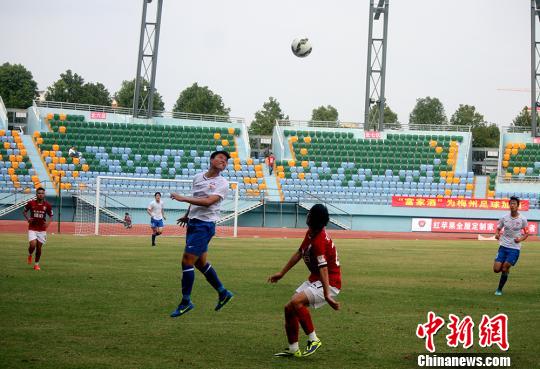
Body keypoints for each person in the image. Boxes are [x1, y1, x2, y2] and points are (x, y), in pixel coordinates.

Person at [268, 204, 341, 358]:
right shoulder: (311, 233)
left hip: (329, 282)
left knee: (296, 302)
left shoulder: (319, 240)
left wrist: (327, 295)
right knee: (289, 308)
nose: (307, 216)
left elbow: (324, 268)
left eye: (310, 214)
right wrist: (282, 273)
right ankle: (293, 349)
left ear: (314, 218)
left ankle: (313, 339)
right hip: (317, 279)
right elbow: (300, 252)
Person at [169, 150, 234, 317]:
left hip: (204, 226)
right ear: (212, 159)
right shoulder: (198, 177)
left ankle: (186, 301)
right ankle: (223, 292)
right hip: (193, 223)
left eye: (226, 160)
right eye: (220, 157)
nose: (224, 161)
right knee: (200, 263)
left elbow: (207, 202)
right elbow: (196, 198)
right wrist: (187, 214)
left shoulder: (223, 183)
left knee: (187, 261)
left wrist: (183, 198)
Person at [493, 196, 529, 296]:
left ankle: (499, 289)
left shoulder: (523, 219)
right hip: (503, 246)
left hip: (514, 248)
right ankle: (505, 271)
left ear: (518, 206)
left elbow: (526, 233)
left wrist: (520, 239)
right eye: (511, 203)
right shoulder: (504, 218)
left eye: (514, 204)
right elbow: (498, 228)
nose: (512, 205)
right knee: (496, 269)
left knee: (504, 268)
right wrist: (496, 234)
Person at [23, 187, 53, 271]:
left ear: (44, 195)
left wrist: (48, 223)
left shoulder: (47, 205)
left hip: (42, 230)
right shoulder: (31, 203)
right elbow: (24, 211)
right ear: (36, 194)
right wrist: (28, 219)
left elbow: (51, 216)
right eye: (39, 193)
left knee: (39, 248)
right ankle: (30, 254)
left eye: (42, 193)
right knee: (32, 245)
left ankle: (36, 265)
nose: (41, 194)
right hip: (32, 228)